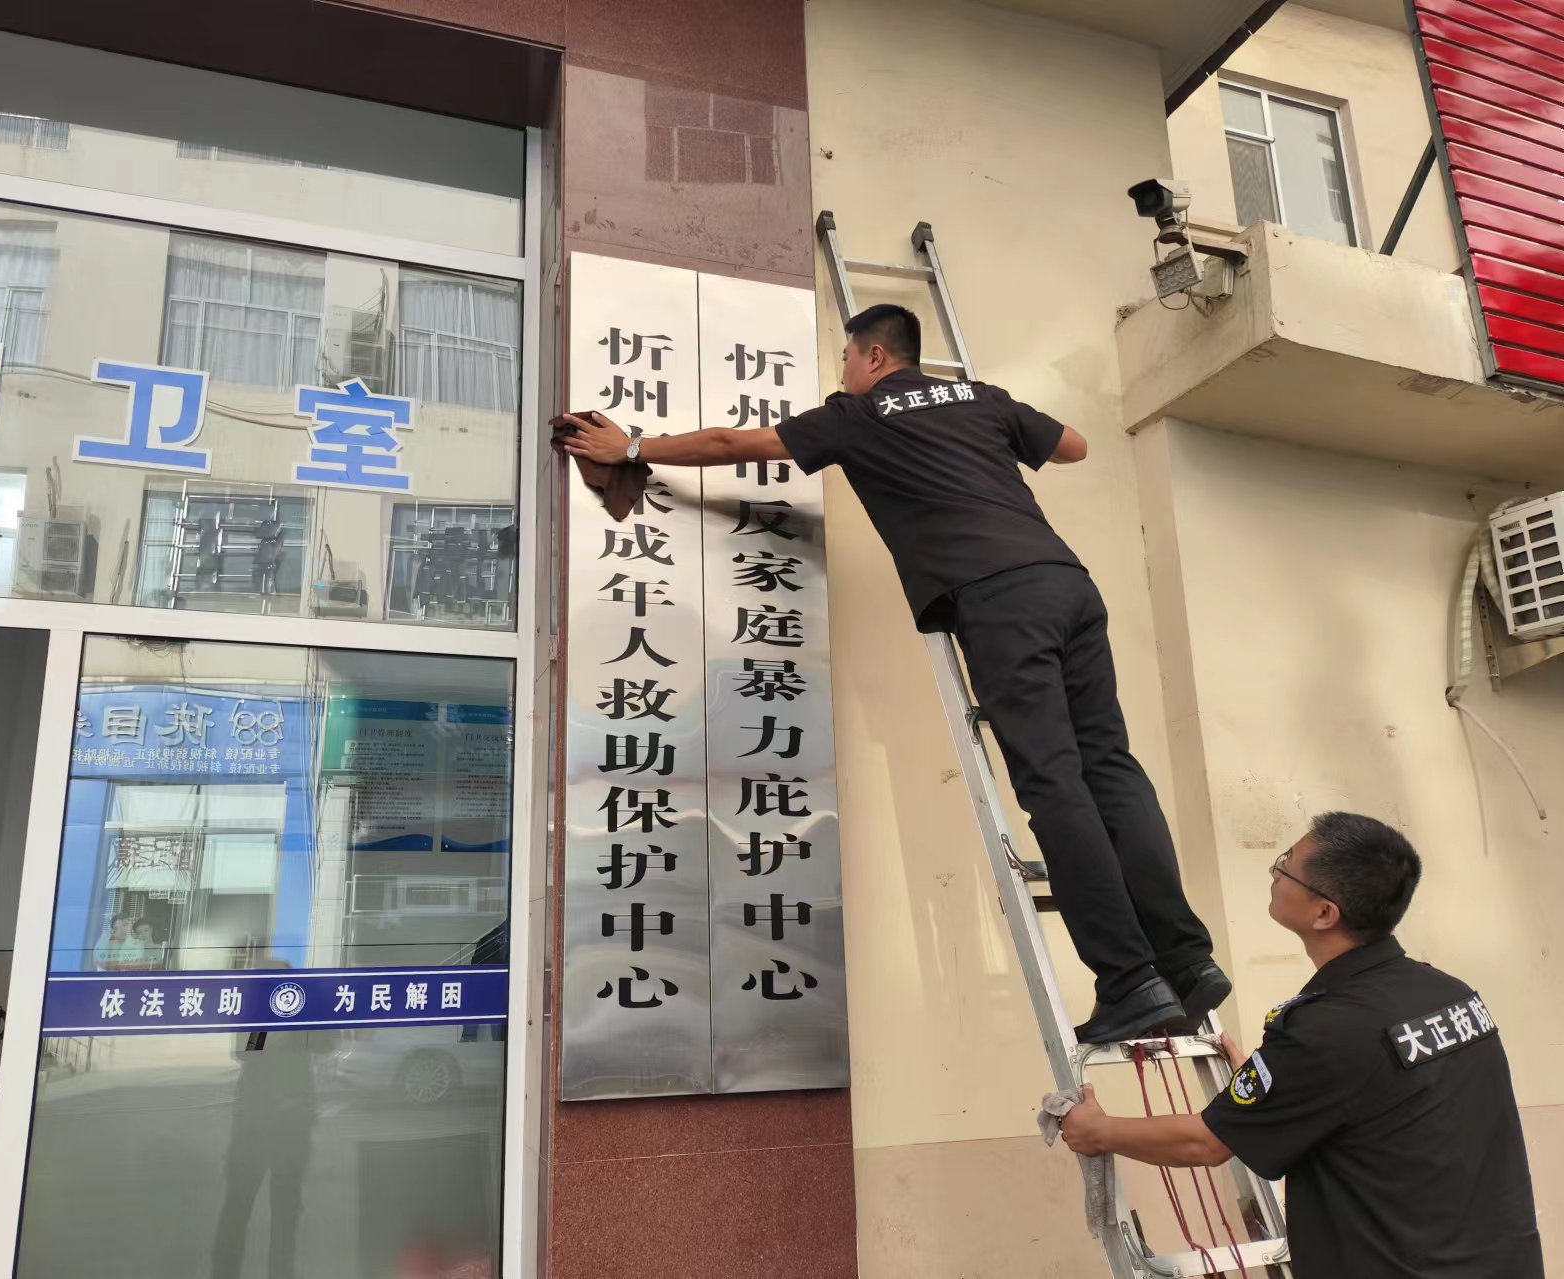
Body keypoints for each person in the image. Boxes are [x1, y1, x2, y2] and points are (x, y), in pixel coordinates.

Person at [558, 302, 1222, 1042]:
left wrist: (633, 444)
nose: (842, 371)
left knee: (1054, 783)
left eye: (846, 357)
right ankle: (1187, 959)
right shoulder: (980, 396)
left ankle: (1129, 979)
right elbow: (1075, 446)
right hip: (1069, 585)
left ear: (873, 356)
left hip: (999, 599)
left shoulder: (860, 413)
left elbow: (732, 442)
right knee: (1111, 768)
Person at [1059, 812, 1543, 1278]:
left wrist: (1099, 1131)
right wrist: (1278, 1084)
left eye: (1285, 866)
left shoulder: (1326, 1031)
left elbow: (1205, 1142)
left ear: (1324, 913)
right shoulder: (1450, 994)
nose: (1274, 874)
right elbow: (1382, 1100)